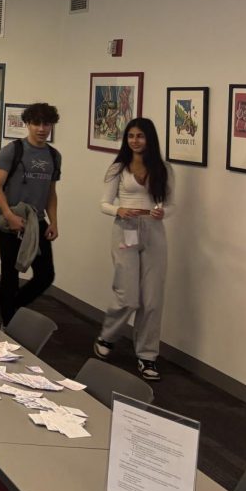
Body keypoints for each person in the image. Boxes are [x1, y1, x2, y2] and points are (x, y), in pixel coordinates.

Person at [94, 118, 173, 382]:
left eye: (140, 136)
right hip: (125, 228)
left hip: (154, 232)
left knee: (152, 299)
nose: (135, 141)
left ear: (149, 139)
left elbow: (172, 204)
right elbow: (103, 203)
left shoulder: (163, 169)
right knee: (128, 295)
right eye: (131, 136)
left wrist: (163, 212)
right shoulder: (118, 168)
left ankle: (147, 356)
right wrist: (119, 209)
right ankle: (108, 335)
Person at [0, 102, 61, 326]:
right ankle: (7, 323)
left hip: (37, 221)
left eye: (46, 124)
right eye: (36, 123)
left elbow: (51, 193)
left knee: (45, 275)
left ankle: (14, 307)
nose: (41, 128)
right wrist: (8, 215)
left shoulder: (54, 156)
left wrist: (54, 222)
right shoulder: (12, 151)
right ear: (28, 124)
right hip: (12, 220)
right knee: (10, 275)